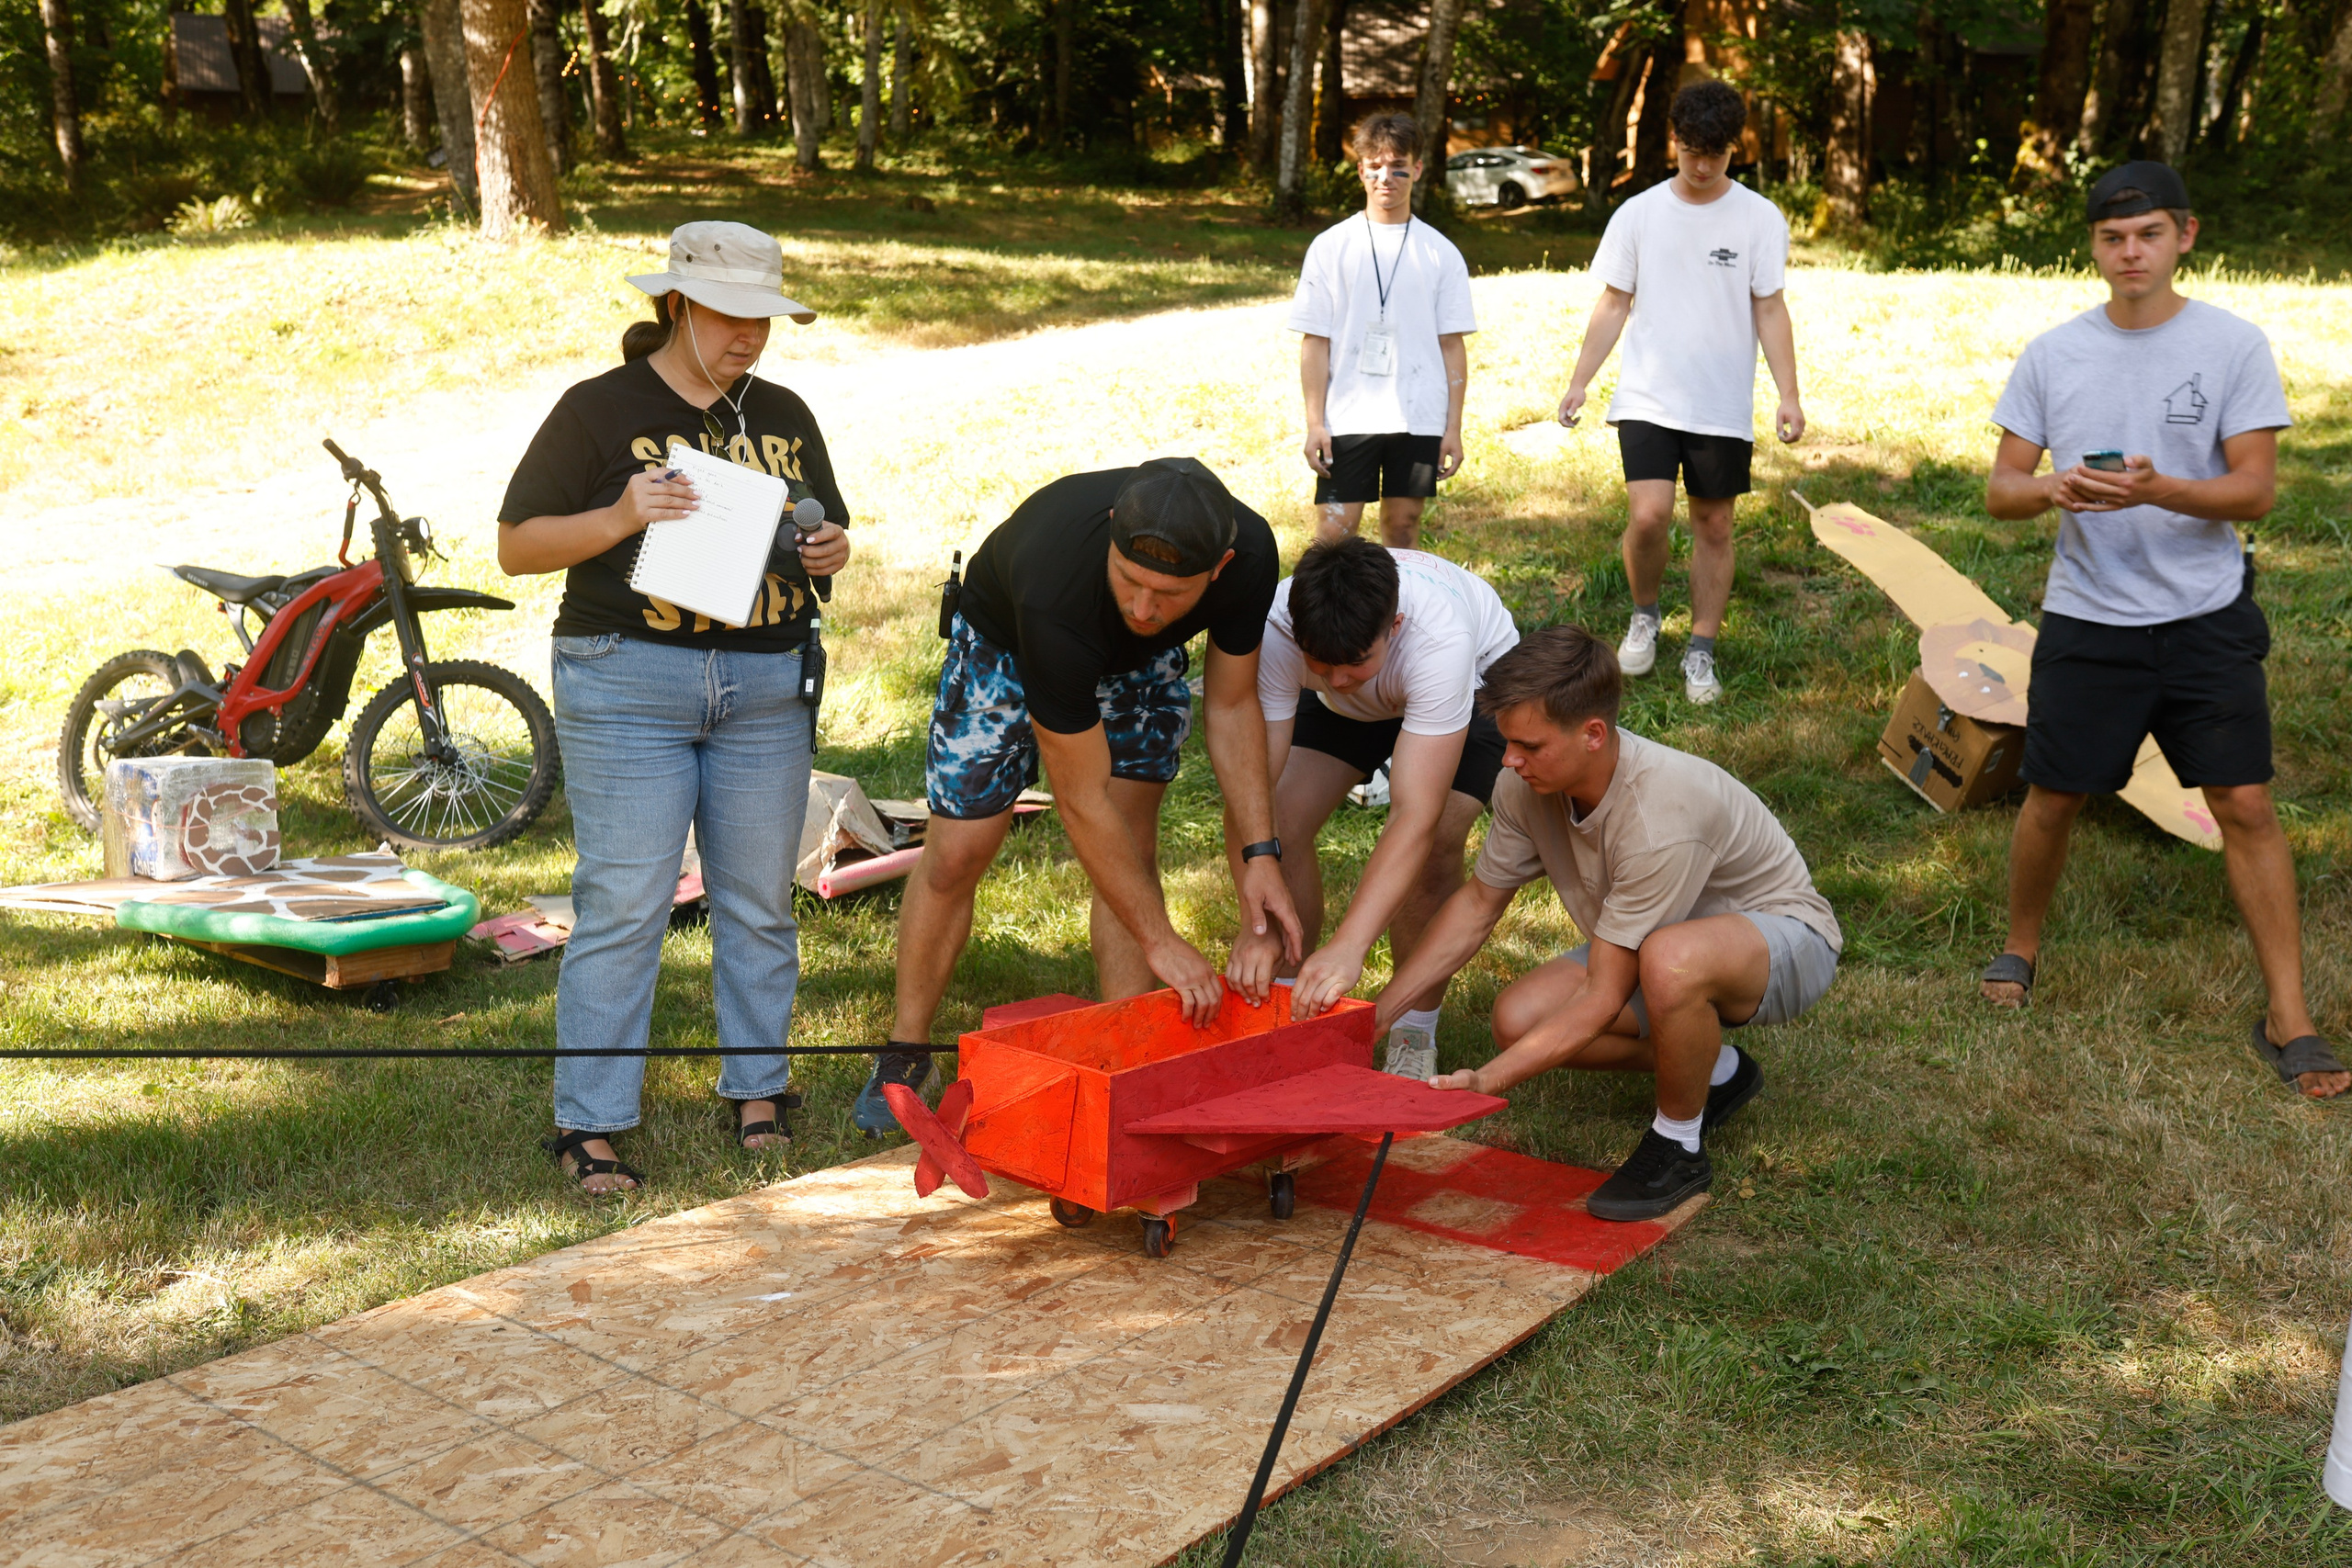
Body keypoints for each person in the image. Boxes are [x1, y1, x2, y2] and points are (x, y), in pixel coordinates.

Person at [1975, 161, 2346, 1101]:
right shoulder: (2054, 354)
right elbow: (1999, 490)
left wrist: (2156, 489)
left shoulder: (2231, 345)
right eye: (2111, 238)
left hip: (2204, 619)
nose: (2129, 253)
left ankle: (2288, 1015)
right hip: (2087, 620)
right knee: (2051, 797)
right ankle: (2019, 949)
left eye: (2146, 235)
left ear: (2184, 235)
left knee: (2247, 807)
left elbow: (2253, 489)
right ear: (2092, 247)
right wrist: (2053, 486)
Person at [497, 221, 854, 1193]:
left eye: (764, 320)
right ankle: (592, 1122)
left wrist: (831, 551)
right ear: (677, 305)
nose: (750, 338)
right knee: (624, 901)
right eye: (732, 317)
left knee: (756, 898)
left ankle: (760, 1090)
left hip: (765, 683)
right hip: (627, 677)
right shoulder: (597, 410)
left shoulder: (782, 412)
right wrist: (621, 515)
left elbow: (827, 524)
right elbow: (517, 546)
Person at [866, 459, 1304, 1131]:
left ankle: (1125, 1052)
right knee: (960, 849)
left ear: (1219, 566)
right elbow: (1079, 800)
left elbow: (1234, 704)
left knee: (1132, 845)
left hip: (1138, 665)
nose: (1143, 607)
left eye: (1170, 593)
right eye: (1130, 579)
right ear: (1109, 535)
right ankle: (905, 1047)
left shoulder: (1251, 556)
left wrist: (1261, 853)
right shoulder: (1055, 581)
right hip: (1008, 643)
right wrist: (1160, 937)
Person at [1378, 626, 1842, 1222]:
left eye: (1530, 745)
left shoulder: (1659, 814)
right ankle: (1720, 1072)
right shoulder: (1523, 785)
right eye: (1506, 740)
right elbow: (1475, 907)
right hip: (1658, 941)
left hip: (1784, 942)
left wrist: (1486, 1080)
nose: (1510, 759)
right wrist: (1379, 1012)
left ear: (1593, 734)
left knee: (1671, 959)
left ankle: (1678, 1142)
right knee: (1517, 1020)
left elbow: (1601, 998)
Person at [1555, 80, 1803, 706]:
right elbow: (1614, 302)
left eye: (1713, 154)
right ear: (1674, 140)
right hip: (1648, 394)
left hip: (1719, 400)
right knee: (1649, 515)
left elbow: (1770, 309)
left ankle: (1701, 649)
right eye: (1691, 150)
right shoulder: (1638, 214)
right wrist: (1579, 382)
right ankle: (1645, 614)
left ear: (1733, 150)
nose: (1700, 166)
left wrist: (1788, 395)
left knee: (1715, 524)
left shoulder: (1758, 217)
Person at [1249, 537, 1520, 1080]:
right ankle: (1288, 998)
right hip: (1354, 698)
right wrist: (1255, 927)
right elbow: (1252, 787)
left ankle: (1415, 1026)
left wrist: (1351, 945)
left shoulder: (1440, 639)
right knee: (1278, 818)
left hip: (1477, 682)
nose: (1338, 679)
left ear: (1393, 627)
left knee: (1438, 838)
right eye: (1319, 665)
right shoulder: (1281, 626)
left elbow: (1412, 816)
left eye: (1352, 664)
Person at [1291, 112, 1476, 551]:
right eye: (1375, 166)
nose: (1386, 177)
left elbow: (1452, 346)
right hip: (1348, 415)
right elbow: (1315, 341)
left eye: (1397, 166)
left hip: (1418, 417)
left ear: (1417, 169)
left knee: (1403, 529)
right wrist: (1315, 423)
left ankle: (1397, 617)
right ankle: (1320, 620)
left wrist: (1453, 427)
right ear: (1361, 170)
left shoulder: (1440, 253)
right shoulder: (1331, 246)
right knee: (1335, 535)